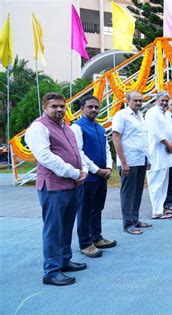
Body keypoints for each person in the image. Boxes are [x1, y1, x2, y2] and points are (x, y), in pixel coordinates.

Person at [25, 92, 88, 286]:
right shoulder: (38, 127)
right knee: (53, 229)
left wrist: (83, 170)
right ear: (45, 107)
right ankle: (51, 272)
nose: (59, 109)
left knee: (67, 226)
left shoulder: (67, 127)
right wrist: (74, 173)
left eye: (62, 106)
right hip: (53, 187)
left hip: (72, 184)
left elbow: (78, 152)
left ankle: (64, 261)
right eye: (54, 106)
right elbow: (46, 157)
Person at [71, 96, 116, 258]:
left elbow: (107, 149)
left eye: (96, 107)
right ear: (82, 108)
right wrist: (97, 170)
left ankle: (96, 238)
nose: (94, 110)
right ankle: (85, 243)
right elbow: (79, 152)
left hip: (102, 176)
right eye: (90, 107)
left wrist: (109, 167)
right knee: (85, 210)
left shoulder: (100, 127)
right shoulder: (77, 127)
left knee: (97, 208)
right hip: (88, 177)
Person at [112, 90, 151, 235]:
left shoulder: (141, 116)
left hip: (141, 160)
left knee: (138, 192)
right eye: (135, 100)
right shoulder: (121, 115)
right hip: (128, 160)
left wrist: (148, 159)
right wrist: (124, 163)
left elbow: (143, 140)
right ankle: (128, 224)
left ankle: (135, 219)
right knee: (128, 193)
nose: (139, 103)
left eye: (140, 100)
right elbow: (116, 138)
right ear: (127, 101)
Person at [145, 91, 172, 220]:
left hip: (166, 153)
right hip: (156, 153)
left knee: (164, 181)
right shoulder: (152, 113)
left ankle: (161, 208)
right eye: (162, 100)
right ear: (156, 100)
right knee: (156, 182)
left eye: (166, 101)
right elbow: (155, 132)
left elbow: (170, 130)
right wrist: (168, 144)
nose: (164, 103)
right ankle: (156, 211)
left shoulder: (165, 114)